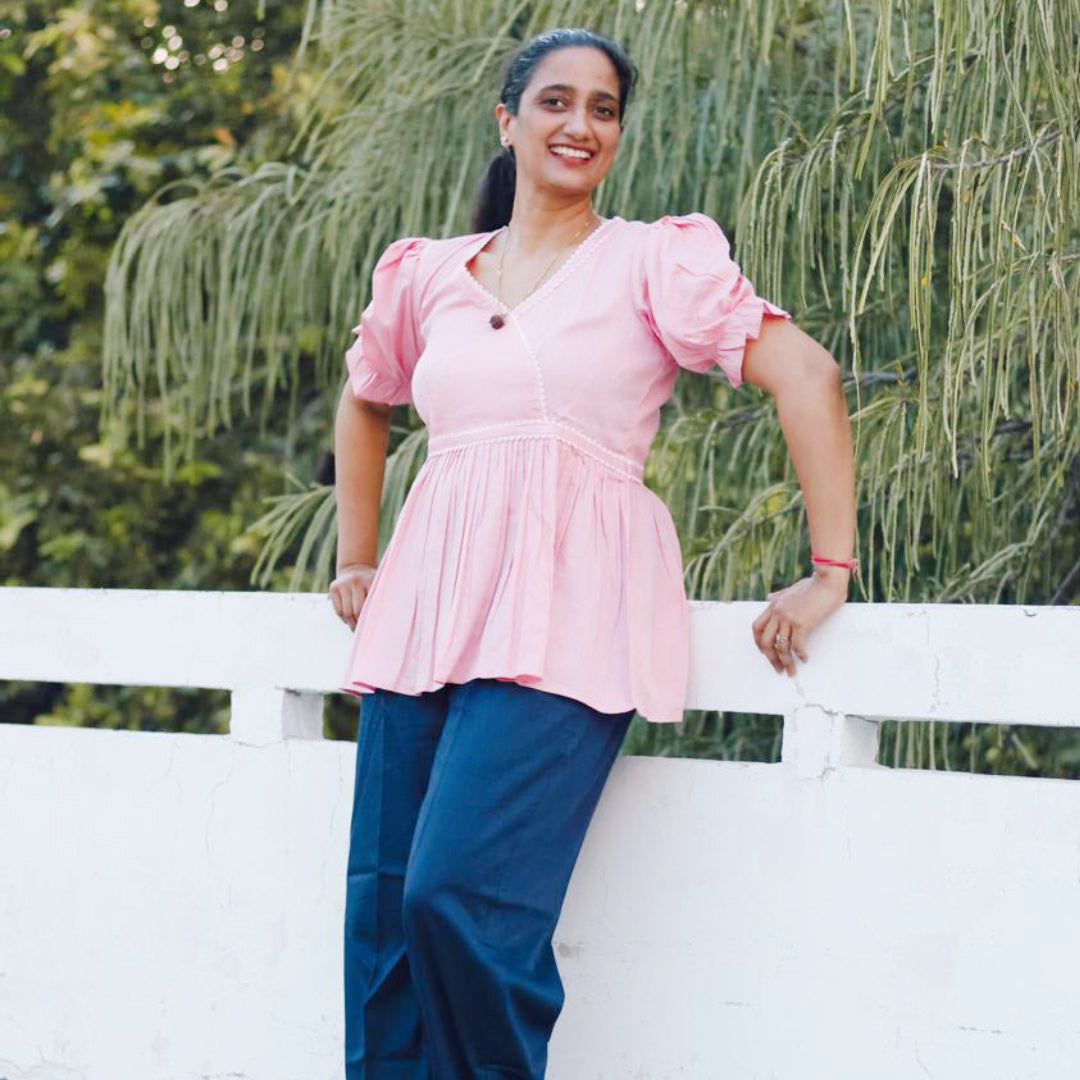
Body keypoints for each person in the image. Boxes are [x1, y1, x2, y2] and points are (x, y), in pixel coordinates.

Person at [329, 26, 856, 1080]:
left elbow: (807, 374)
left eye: (603, 108)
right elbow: (365, 396)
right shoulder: (428, 273)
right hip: (424, 613)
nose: (580, 124)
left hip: (570, 621)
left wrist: (829, 569)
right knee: (385, 922)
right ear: (508, 121)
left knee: (458, 898)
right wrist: (358, 554)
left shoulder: (651, 262)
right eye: (557, 102)